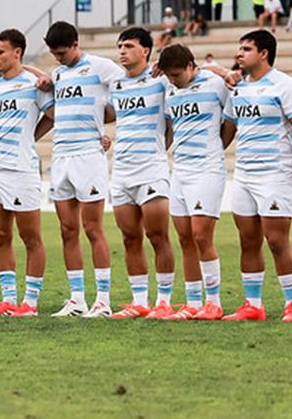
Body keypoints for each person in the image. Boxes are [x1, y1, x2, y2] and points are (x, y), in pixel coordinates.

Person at [220, 30, 292, 321]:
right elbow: (228, 130)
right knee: (247, 240)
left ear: (264, 53)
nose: (240, 53)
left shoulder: (285, 85)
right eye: (239, 48)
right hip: (244, 174)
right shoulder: (237, 90)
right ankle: (253, 305)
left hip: (275, 173)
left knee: (276, 240)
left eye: (246, 48)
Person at [44, 21, 123, 317]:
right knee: (67, 230)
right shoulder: (58, 74)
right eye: (54, 54)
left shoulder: (102, 67)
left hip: (88, 156)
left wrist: (105, 129)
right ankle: (77, 299)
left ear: (76, 45)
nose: (59, 58)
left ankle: (102, 299)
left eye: (62, 53)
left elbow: (125, 96)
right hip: (61, 155)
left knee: (93, 228)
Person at [0, 29, 54, 318]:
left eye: (0, 52)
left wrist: (31, 137)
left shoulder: (33, 84)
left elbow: (52, 115)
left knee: (31, 237)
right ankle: (9, 299)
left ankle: (31, 302)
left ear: (17, 53)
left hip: (22, 169)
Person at [106, 28, 177, 319]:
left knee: (158, 236)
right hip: (121, 171)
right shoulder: (115, 84)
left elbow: (171, 125)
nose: (122, 51)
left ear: (146, 51)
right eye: (120, 46)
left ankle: (163, 301)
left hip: (150, 169)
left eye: (129, 46)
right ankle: (139, 301)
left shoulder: (160, 82)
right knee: (129, 238)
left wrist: (158, 150)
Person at [157, 44, 231, 321]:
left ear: (191, 66)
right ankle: (191, 301)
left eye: (177, 74)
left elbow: (232, 120)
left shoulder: (215, 84)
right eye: (169, 75)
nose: (173, 80)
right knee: (185, 237)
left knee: (201, 235)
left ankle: (214, 302)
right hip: (181, 169)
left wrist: (217, 147)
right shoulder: (168, 87)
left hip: (207, 169)